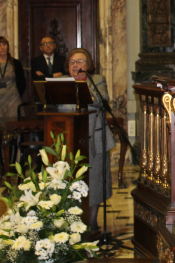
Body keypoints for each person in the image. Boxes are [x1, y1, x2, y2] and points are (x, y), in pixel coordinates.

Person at [64, 48, 115, 232]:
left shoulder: (97, 80)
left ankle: (91, 223)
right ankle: (71, 222)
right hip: (69, 140)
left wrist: (82, 92)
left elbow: (102, 99)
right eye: (72, 62)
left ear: (88, 65)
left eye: (80, 61)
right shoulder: (62, 83)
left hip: (95, 140)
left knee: (95, 182)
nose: (76, 65)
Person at [0, 36, 26, 121]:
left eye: (4, 44)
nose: (2, 47)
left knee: (14, 125)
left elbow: (22, 83)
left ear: (7, 46)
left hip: (13, 99)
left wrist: (13, 94)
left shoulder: (16, 63)